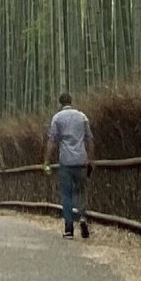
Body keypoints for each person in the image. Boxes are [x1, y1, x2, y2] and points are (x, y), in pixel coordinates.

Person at [45, 92, 94, 237]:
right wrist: (91, 159)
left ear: (60, 103)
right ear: (71, 102)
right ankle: (83, 217)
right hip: (81, 159)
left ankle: (69, 227)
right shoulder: (82, 116)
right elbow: (90, 139)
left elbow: (52, 140)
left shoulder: (57, 118)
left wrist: (46, 160)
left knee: (66, 194)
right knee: (80, 192)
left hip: (66, 160)